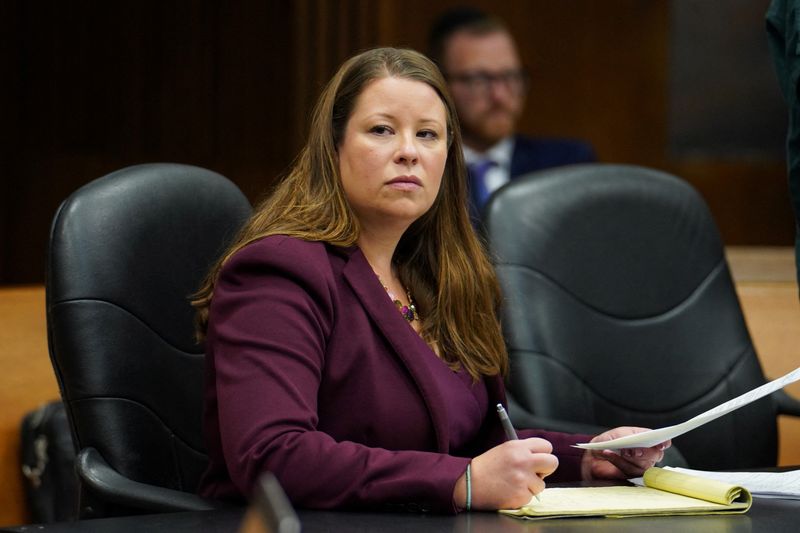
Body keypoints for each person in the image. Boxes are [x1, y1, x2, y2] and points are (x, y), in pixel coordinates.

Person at [192, 47, 668, 513]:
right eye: (381, 130)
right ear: (333, 147)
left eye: (427, 135)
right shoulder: (280, 269)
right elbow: (272, 456)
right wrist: (459, 482)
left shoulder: (435, 277)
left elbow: (476, 440)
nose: (408, 152)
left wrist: (586, 457)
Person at [427, 7, 596, 220]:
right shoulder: (426, 171)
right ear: (442, 85)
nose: (499, 95)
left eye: (510, 77)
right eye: (479, 80)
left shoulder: (567, 165)